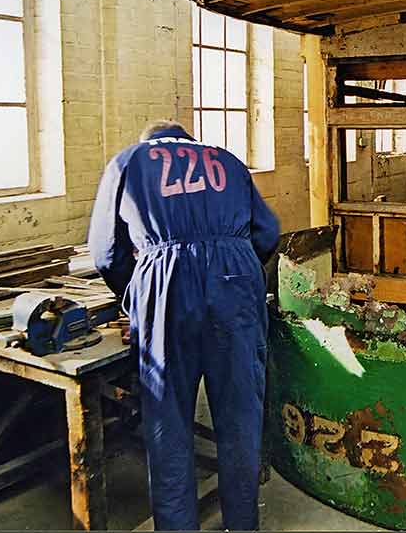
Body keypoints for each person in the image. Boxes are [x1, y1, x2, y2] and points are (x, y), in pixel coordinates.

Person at [88, 120, 279, 531]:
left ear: (150, 141)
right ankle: (242, 524)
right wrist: (237, 267)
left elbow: (105, 252)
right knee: (240, 413)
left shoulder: (127, 161)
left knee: (168, 419)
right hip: (235, 280)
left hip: (166, 280)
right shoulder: (227, 160)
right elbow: (269, 232)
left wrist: (136, 296)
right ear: (188, 141)